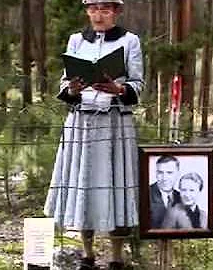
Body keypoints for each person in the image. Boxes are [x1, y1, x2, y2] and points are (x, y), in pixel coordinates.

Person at [43, 0, 143, 269]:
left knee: (115, 183)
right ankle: (87, 254)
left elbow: (137, 83)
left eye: (106, 9)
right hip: (82, 121)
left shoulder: (130, 41)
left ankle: (116, 256)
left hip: (114, 122)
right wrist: (73, 89)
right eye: (94, 9)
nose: (99, 15)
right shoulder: (76, 40)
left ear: (116, 12)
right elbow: (66, 82)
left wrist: (119, 90)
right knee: (83, 183)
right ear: (87, 11)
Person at [150, 155, 181, 228]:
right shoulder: (145, 194)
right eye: (160, 172)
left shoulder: (182, 197)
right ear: (156, 173)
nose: (164, 178)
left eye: (169, 173)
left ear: (177, 174)